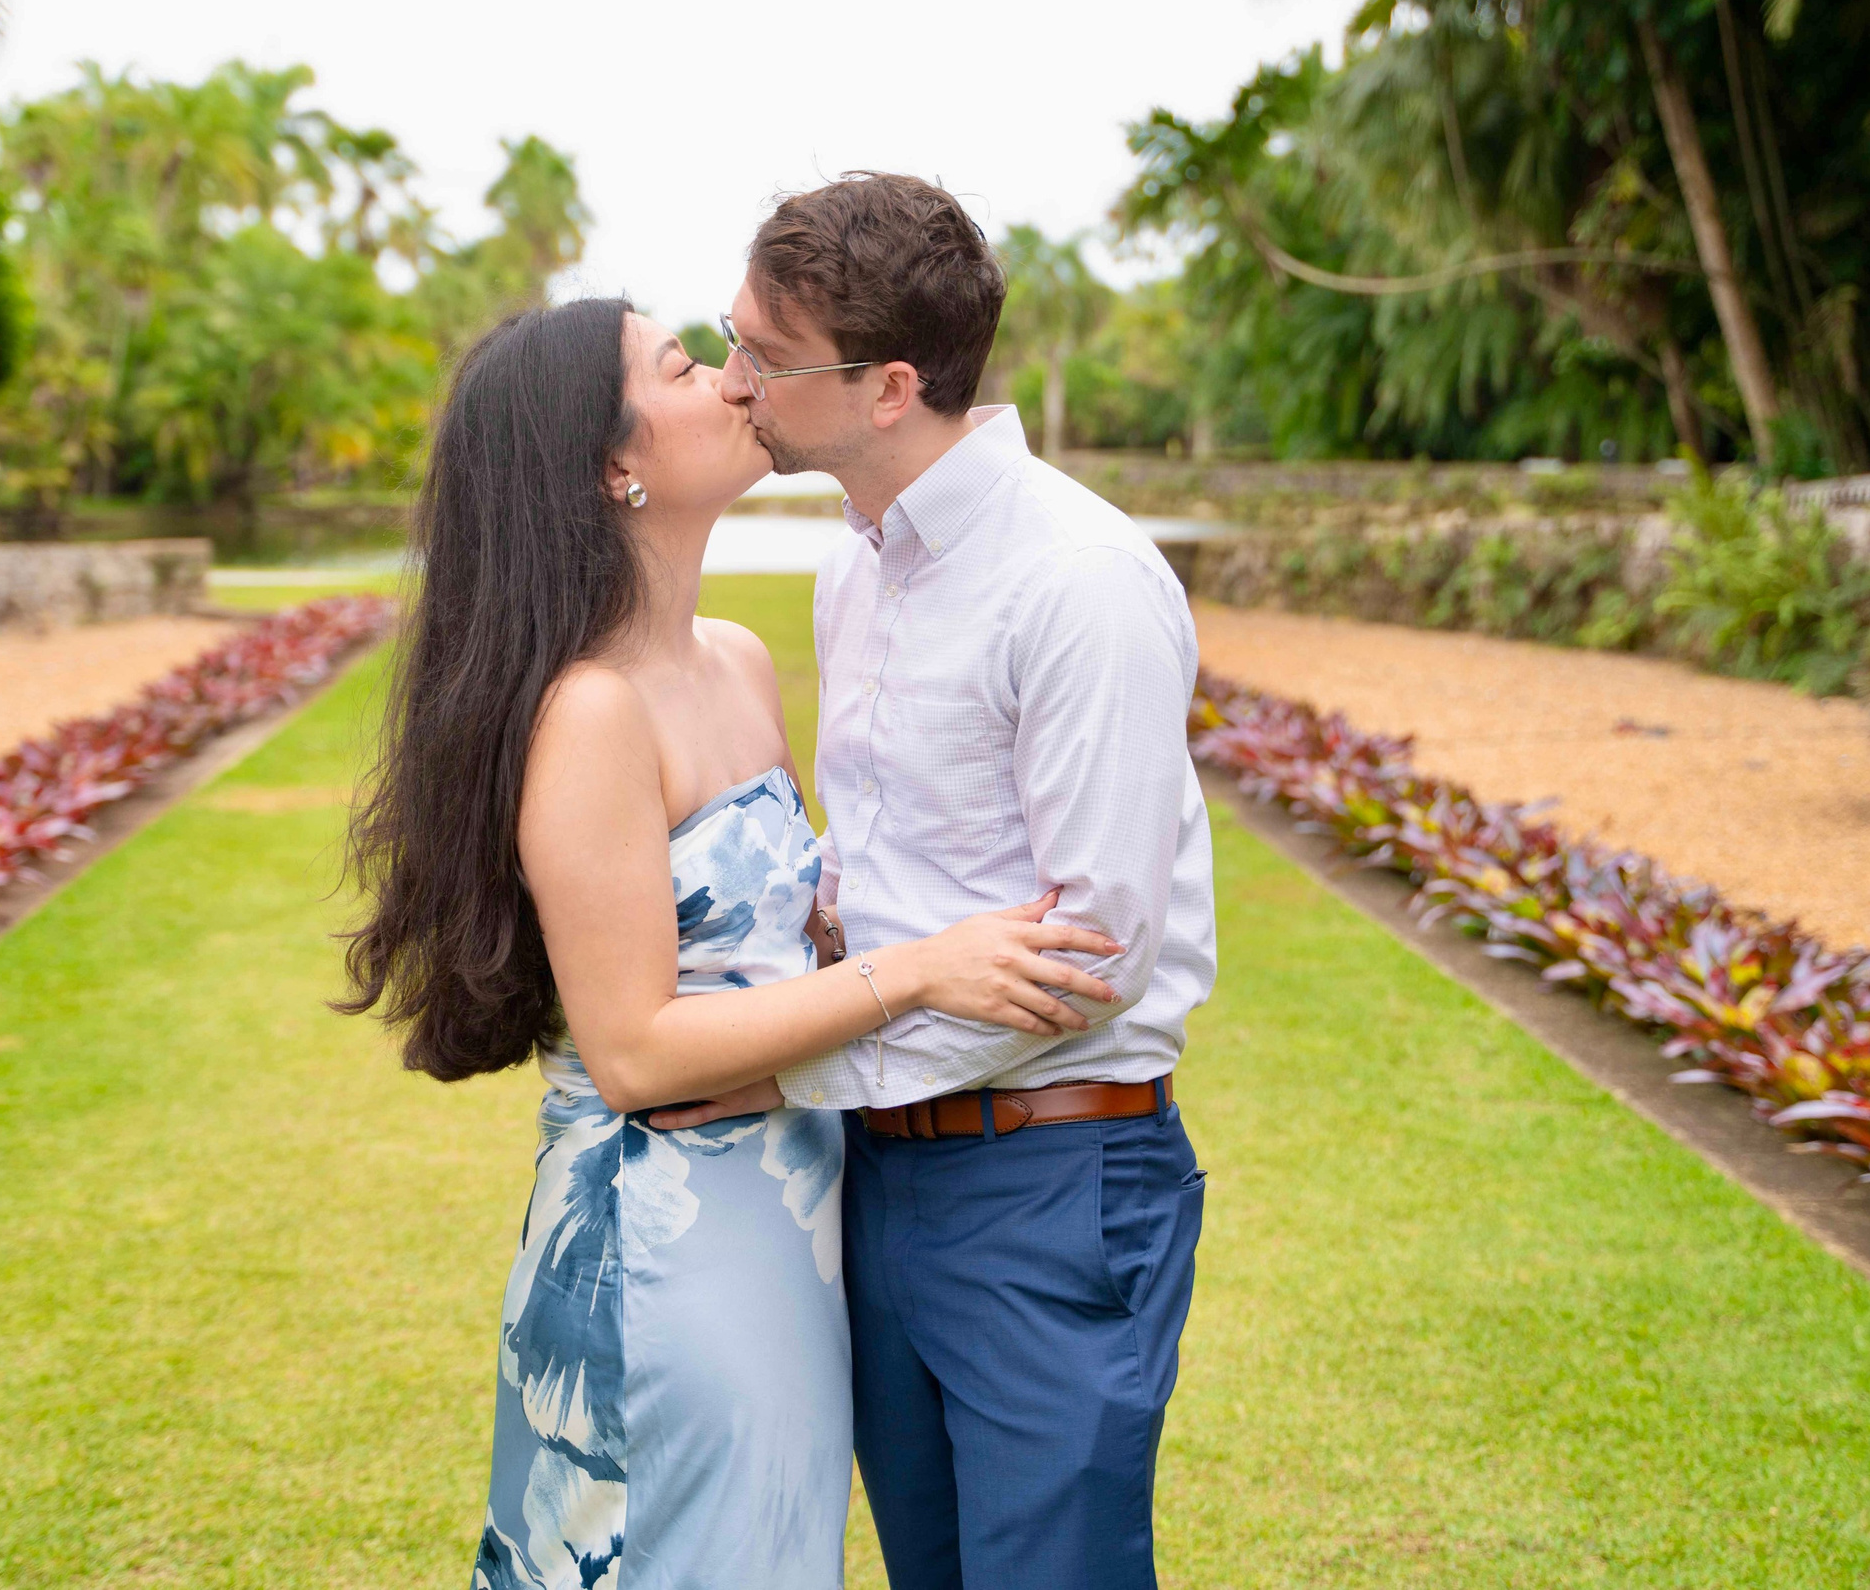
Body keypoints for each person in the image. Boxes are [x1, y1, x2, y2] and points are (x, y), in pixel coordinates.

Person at [338, 296, 1123, 1590]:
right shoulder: (590, 713)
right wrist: (917, 971)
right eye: (684, 363)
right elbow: (638, 1050)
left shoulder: (739, 661)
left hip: (796, 1208)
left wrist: (847, 930)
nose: (733, 376)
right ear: (614, 465)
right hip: (669, 1241)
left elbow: (769, 942)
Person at [653, 173, 1216, 1590]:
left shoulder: (1075, 579)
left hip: (1048, 1168)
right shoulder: (863, 571)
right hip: (883, 1175)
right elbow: (905, 859)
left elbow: (1092, 952)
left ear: (888, 385)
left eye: (764, 358)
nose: (734, 384)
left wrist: (796, 1065)